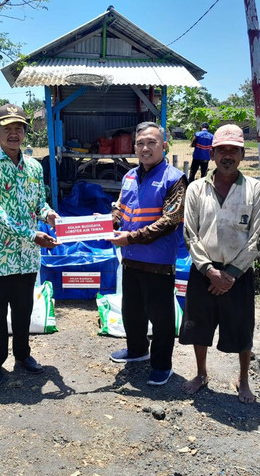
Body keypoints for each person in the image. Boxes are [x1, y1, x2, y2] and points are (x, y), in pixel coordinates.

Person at [0, 103, 59, 387]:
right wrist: (32, 234)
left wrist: (48, 214)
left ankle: (23, 355)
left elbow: (38, 203)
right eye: (7, 128)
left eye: (19, 128)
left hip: (27, 258)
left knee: (23, 311)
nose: (13, 133)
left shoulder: (34, 166)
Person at [179, 124, 260, 403]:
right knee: (199, 327)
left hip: (238, 274)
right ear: (212, 153)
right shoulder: (196, 188)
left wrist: (229, 274)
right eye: (221, 150)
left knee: (242, 329)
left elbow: (258, 236)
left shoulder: (256, 189)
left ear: (242, 154)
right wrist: (209, 271)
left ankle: (243, 380)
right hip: (203, 271)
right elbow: (190, 233)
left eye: (233, 150)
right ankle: (201, 374)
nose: (227, 155)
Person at [108, 121, 187, 386]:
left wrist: (130, 237)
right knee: (132, 312)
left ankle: (162, 364)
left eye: (152, 142)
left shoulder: (174, 179)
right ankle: (137, 350)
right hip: (130, 260)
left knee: (161, 317)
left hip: (158, 263)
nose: (145, 148)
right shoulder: (129, 176)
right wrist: (109, 220)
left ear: (163, 146)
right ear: (134, 147)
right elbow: (121, 208)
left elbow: (170, 220)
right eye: (140, 143)